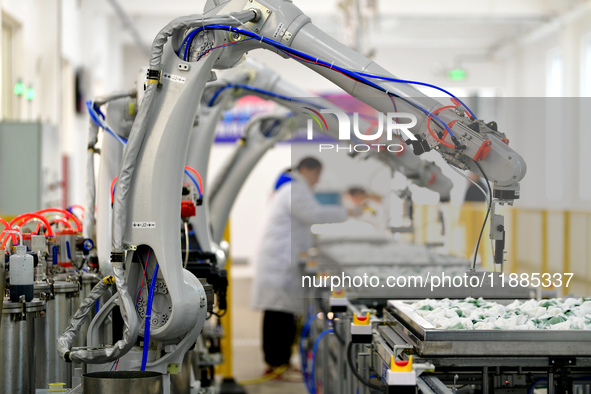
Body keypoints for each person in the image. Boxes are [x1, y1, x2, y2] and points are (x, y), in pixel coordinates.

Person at [251, 157, 347, 377]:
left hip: (284, 262)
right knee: (278, 316)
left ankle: (280, 362)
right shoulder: (294, 189)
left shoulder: (291, 189)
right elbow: (315, 214)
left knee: (282, 315)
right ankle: (276, 365)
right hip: (280, 264)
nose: (317, 181)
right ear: (306, 169)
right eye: (317, 175)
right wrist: (347, 212)